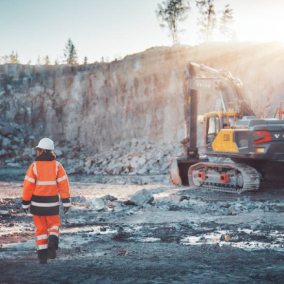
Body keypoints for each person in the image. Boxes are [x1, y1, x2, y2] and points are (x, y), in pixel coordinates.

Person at [22, 138, 71, 264]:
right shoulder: (57, 166)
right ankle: (53, 242)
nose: (37, 151)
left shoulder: (34, 166)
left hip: (37, 204)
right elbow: (63, 185)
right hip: (52, 203)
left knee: (41, 229)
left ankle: (42, 257)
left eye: (38, 149)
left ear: (42, 151)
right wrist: (66, 201)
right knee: (54, 225)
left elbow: (28, 187)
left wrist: (25, 203)